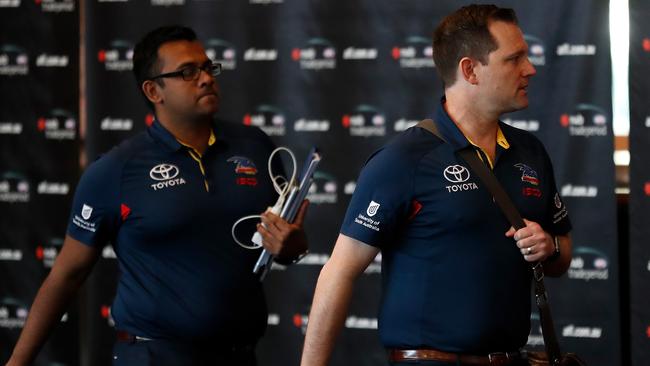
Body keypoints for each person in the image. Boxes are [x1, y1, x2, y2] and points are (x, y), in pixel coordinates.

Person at [7, 25, 308, 366]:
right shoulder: (116, 170)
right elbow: (68, 274)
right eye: (188, 72)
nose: (206, 78)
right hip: (152, 356)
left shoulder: (255, 146)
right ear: (154, 91)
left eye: (208, 67)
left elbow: (283, 243)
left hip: (239, 355)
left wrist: (293, 248)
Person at [301, 4, 572, 366]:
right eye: (514, 59)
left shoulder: (531, 152)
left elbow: (562, 255)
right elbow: (339, 270)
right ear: (470, 70)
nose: (530, 69)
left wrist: (550, 245)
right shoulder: (404, 159)